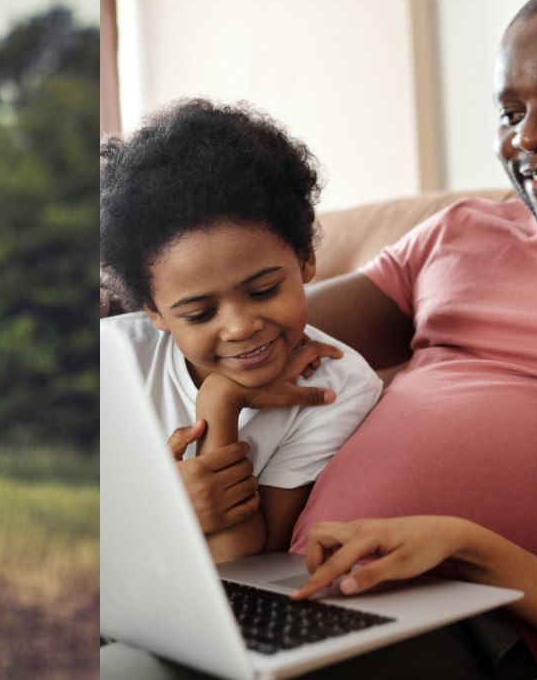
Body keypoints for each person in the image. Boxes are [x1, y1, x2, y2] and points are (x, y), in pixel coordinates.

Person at [268, 0, 537, 677]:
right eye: (510, 111)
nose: (528, 136)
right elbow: (264, 332)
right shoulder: (458, 231)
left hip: (485, 617)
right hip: (304, 581)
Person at [99, 99, 382, 564]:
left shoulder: (336, 386)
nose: (240, 327)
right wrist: (155, 510)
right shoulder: (115, 362)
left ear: (306, 258)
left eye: (265, 290)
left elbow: (240, 565)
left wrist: (221, 400)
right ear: (154, 311)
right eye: (199, 314)